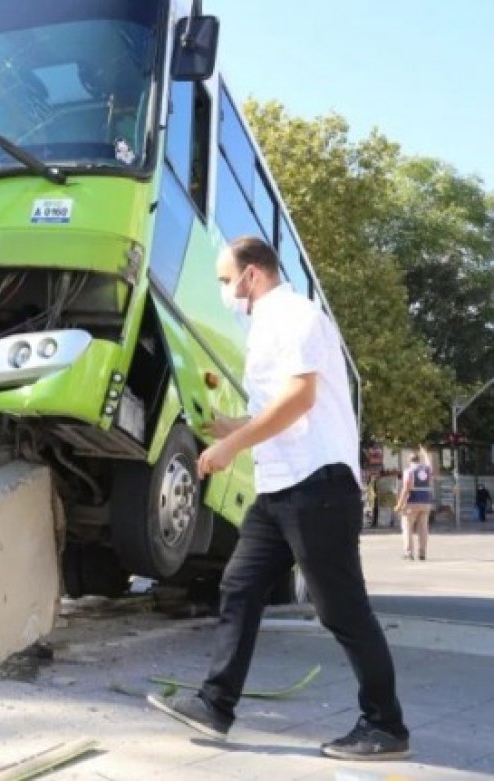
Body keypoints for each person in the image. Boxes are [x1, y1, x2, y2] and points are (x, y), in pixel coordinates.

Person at [147, 237, 409, 761]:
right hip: (279, 490)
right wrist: (230, 426)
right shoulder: (267, 324)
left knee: (343, 612)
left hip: (317, 486)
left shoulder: (293, 315)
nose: (224, 291)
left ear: (251, 275)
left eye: (225, 280)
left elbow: (300, 400)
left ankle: (385, 727)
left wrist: (230, 445)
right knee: (239, 588)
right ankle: (215, 705)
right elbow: (278, 413)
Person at [394, 452, 433, 560]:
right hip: (426, 502)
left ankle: (409, 552)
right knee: (423, 528)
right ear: (419, 460)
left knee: (407, 528)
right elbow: (429, 464)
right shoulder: (426, 470)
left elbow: (406, 488)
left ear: (409, 460)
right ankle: (422, 553)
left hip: (412, 502)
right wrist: (425, 453)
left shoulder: (409, 471)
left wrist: (399, 504)